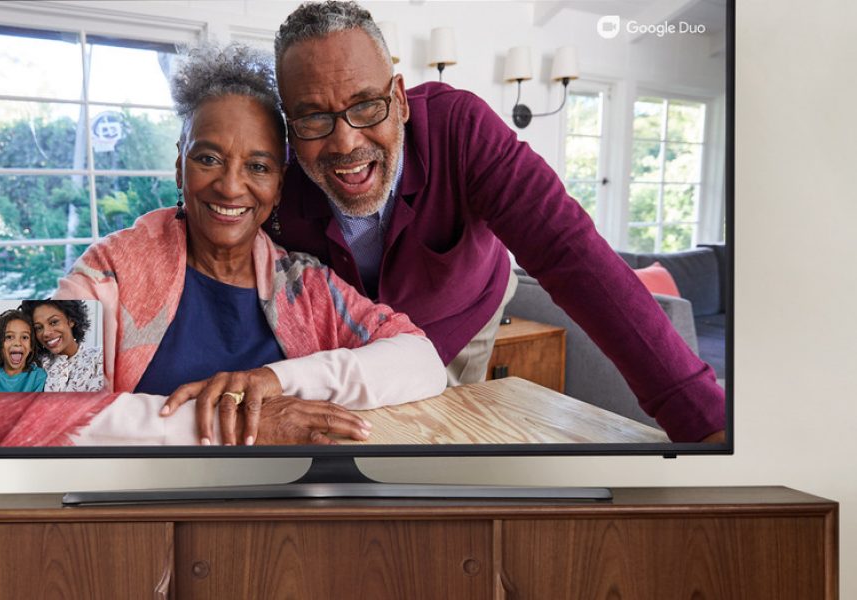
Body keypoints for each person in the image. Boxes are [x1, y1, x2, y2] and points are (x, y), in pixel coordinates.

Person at [268, 0, 725, 443]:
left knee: (447, 426)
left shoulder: (461, 128)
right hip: (350, 338)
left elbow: (571, 252)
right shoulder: (275, 182)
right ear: (290, 128)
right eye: (313, 117)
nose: (346, 143)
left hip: (464, 309)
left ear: (401, 100)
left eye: (367, 105)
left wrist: (701, 419)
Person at [50, 43, 446, 446]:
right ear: (178, 166)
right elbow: (21, 408)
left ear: (278, 186)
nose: (231, 186)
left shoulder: (302, 283)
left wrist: (273, 382)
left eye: (257, 167)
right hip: (151, 505)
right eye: (208, 159)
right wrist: (233, 424)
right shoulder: (109, 269)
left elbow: (422, 360)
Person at [19, 299, 106, 393]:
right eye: (38, 328)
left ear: (71, 320)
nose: (46, 333)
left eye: (53, 322)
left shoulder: (100, 358)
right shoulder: (35, 366)